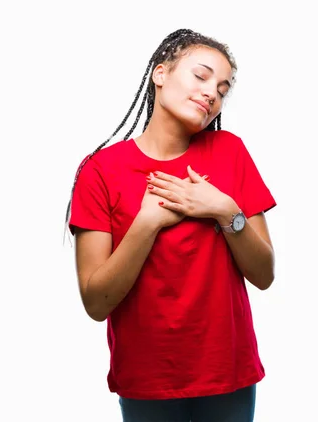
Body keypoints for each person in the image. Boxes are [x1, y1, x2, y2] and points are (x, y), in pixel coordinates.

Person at [64, 28, 277, 422]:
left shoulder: (230, 152)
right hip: (148, 379)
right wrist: (147, 222)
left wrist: (225, 211)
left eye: (223, 89)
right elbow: (96, 302)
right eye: (201, 76)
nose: (212, 92)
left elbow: (264, 274)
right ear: (160, 74)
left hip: (229, 374)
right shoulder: (100, 171)